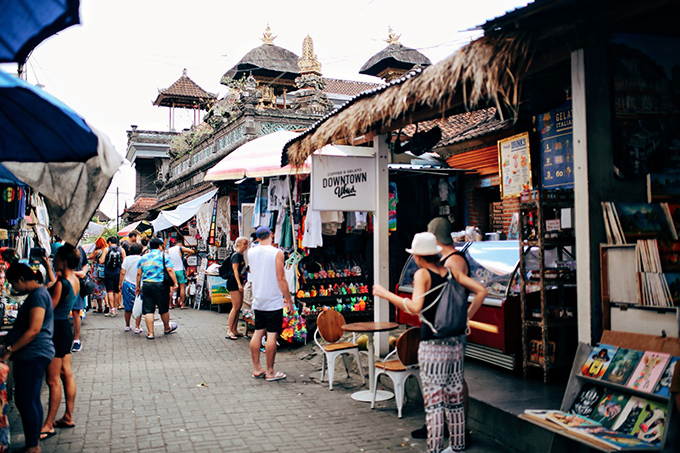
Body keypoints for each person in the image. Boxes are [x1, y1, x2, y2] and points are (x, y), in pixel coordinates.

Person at [373, 232, 487, 453]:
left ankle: (434, 449)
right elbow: (481, 291)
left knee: (434, 402)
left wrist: (385, 294)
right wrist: (467, 316)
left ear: (417, 256)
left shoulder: (422, 274)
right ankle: (457, 447)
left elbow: (415, 308)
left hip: (433, 346)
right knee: (454, 397)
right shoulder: (452, 272)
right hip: (454, 344)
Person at [409, 217, 473, 441]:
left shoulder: (453, 262)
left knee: (452, 381)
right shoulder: (447, 260)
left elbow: (454, 298)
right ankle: (446, 428)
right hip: (446, 329)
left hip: (448, 332)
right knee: (447, 380)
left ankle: (454, 429)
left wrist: (465, 318)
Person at [1, 263, 55, 453]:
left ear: (22, 280)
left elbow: (34, 329)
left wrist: (10, 349)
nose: (14, 288)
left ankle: (33, 446)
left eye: (14, 283)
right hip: (34, 353)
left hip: (34, 353)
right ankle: (33, 443)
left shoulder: (38, 296)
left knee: (26, 399)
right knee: (30, 399)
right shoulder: (38, 294)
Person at [40, 245, 80, 439]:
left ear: (63, 261)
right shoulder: (75, 280)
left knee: (53, 380)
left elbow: (49, 310)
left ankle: (48, 424)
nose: (54, 260)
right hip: (65, 328)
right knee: (66, 375)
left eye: (55, 258)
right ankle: (68, 416)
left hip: (56, 330)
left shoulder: (61, 283)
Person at [248, 226, 293, 381]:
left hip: (258, 298)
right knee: (271, 335)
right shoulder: (277, 253)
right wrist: (289, 300)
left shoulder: (251, 252)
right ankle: (270, 371)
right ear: (272, 235)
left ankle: (256, 368)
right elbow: (281, 278)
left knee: (258, 331)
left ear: (258, 238)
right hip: (273, 300)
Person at [136, 238, 178, 340]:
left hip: (147, 285)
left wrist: (138, 286)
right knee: (163, 308)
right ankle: (166, 328)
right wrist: (175, 283)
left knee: (148, 309)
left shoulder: (143, 257)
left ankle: (150, 333)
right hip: (161, 285)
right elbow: (170, 269)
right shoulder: (164, 256)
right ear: (160, 246)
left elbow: (138, 273)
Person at [225, 237, 249, 340]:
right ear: (238, 244)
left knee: (238, 306)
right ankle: (230, 330)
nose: (246, 246)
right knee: (235, 307)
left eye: (246, 244)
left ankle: (234, 329)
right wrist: (239, 284)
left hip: (237, 282)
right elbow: (235, 270)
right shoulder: (236, 255)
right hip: (233, 282)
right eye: (244, 244)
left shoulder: (240, 255)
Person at [119, 242, 144, 334]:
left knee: (127, 306)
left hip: (127, 284)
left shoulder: (126, 259)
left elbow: (122, 272)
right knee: (138, 305)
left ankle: (127, 325)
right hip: (139, 285)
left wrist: (120, 283)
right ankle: (137, 327)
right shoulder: (142, 259)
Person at [70, 244, 90, 353]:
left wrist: (83, 272)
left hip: (77, 284)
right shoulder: (61, 249)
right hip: (63, 284)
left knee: (76, 312)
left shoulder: (79, 249)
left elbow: (85, 264)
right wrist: (76, 273)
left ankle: (76, 340)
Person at [101, 236, 126, 316]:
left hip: (108, 272)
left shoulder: (106, 249)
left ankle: (112, 310)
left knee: (110, 291)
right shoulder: (121, 250)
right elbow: (124, 261)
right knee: (117, 291)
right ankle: (115, 308)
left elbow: (101, 261)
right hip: (118, 272)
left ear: (109, 242)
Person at [166, 238, 194, 309]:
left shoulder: (168, 250)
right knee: (182, 287)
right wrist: (186, 256)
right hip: (180, 270)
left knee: (171, 287)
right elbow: (191, 251)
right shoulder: (180, 248)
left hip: (172, 270)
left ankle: (170, 304)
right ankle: (182, 304)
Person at [88, 238, 108, 314]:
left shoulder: (98, 251)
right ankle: (105, 305)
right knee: (103, 288)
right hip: (104, 271)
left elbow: (90, 256)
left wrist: (94, 248)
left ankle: (100, 307)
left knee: (97, 289)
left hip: (97, 272)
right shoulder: (105, 250)